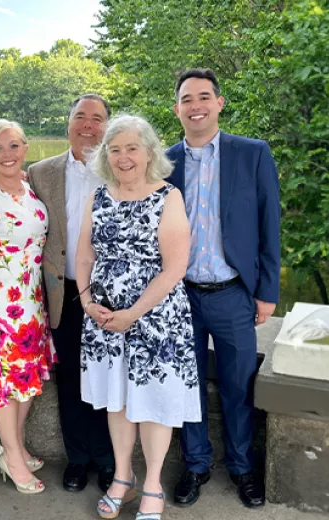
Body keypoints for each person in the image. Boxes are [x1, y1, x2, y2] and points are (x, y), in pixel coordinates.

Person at [76, 115, 201, 520]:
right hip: (105, 320)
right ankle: (123, 478)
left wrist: (133, 313)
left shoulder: (169, 196)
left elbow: (174, 268)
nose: (123, 157)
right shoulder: (97, 196)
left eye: (132, 148)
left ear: (149, 152)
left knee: (152, 403)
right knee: (117, 401)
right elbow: (84, 255)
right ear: (105, 156)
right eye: (115, 149)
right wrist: (86, 301)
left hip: (155, 320)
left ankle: (152, 486)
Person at [167, 67, 281, 509]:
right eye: (186, 99)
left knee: (238, 385)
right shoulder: (165, 161)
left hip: (234, 293)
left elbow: (269, 226)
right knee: (186, 383)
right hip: (180, 295)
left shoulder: (252, 154)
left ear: (219, 103)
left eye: (203, 97)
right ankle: (195, 465)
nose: (195, 106)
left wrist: (266, 291)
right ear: (177, 108)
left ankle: (241, 466)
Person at [27, 94, 116, 493]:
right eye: (80, 116)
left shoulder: (121, 169)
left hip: (111, 294)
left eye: (97, 119)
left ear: (107, 127)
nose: (88, 125)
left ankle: (109, 460)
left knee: (110, 378)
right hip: (61, 293)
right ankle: (78, 459)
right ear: (68, 123)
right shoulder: (40, 173)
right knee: (70, 381)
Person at [0, 119, 56, 495]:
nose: (7, 154)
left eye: (14, 145)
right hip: (3, 308)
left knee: (28, 384)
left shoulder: (28, 189)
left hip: (33, 303)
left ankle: (11, 445)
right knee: (6, 386)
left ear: (26, 148)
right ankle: (14, 458)